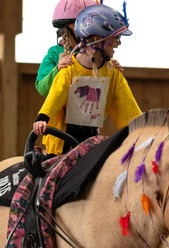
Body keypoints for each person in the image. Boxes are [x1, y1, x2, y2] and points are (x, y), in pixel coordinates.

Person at [33, 3, 141, 156]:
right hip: (61, 137)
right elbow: (48, 90)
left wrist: (141, 129)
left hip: (90, 134)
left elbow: (126, 106)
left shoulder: (107, 67)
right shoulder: (58, 58)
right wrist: (56, 70)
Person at [36, 0, 123, 98]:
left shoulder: (99, 54)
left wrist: (112, 69)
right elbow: (42, 88)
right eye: (86, 24)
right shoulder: (54, 53)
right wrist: (57, 70)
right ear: (71, 26)